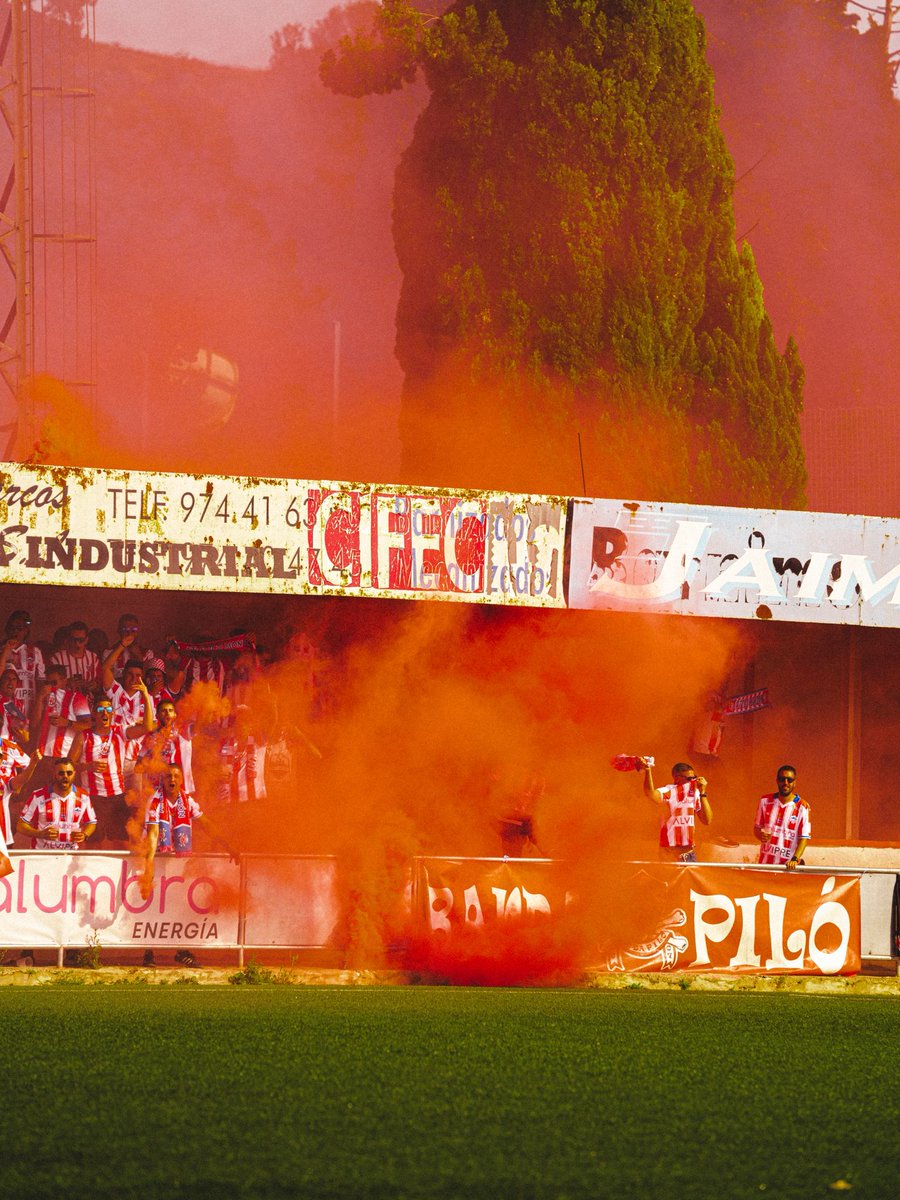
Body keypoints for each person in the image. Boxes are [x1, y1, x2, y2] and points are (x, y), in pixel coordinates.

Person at [139, 763, 234, 967]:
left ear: (181, 780)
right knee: (154, 904)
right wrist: (149, 869)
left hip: (178, 860)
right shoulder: (154, 801)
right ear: (162, 780)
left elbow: (206, 823)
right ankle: (149, 951)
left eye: (175, 776)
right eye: (167, 776)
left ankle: (182, 951)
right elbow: (153, 837)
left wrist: (227, 844)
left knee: (179, 902)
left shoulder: (187, 801)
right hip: (157, 856)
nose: (171, 780)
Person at [71, 690, 152, 847]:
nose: (105, 713)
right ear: (94, 713)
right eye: (100, 710)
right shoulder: (84, 736)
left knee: (121, 842)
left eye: (108, 709)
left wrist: (145, 695)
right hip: (93, 797)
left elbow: (147, 727)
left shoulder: (119, 732)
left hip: (117, 797)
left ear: (112, 713)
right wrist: (87, 766)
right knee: (94, 843)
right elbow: (68, 764)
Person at [638, 758, 712, 863]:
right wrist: (648, 771)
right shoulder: (669, 790)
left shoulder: (695, 793)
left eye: (695, 777)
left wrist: (703, 793)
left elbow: (707, 821)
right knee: (667, 879)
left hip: (689, 854)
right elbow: (651, 794)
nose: (694, 781)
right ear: (677, 778)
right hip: (669, 853)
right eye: (690, 778)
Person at [18, 756, 96, 850]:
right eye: (61, 773)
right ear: (54, 774)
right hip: (42, 855)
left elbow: (91, 822)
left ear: (74, 774)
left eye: (69, 773)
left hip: (70, 855)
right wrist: (39, 834)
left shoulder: (84, 797)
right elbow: (21, 825)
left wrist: (84, 834)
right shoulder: (38, 796)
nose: (65, 776)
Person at [754, 764, 810, 870]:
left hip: (787, 867)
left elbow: (803, 839)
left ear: (794, 783)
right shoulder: (764, 801)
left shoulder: (803, 806)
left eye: (789, 780)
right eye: (782, 779)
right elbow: (756, 828)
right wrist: (760, 835)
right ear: (777, 781)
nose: (785, 783)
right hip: (765, 866)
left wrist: (794, 859)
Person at [101, 632, 155, 737]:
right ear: (124, 674)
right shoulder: (116, 691)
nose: (133, 679)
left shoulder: (147, 697)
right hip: (114, 746)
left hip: (136, 750)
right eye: (130, 674)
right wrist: (122, 645)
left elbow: (152, 725)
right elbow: (105, 668)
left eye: (138, 675)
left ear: (142, 677)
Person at [0, 609, 44, 719]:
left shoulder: (35, 651)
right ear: (7, 629)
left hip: (30, 707)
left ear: (26, 630)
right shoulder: (1, 650)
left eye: (19, 628)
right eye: (12, 628)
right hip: (5, 707)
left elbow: (40, 681)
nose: (15, 632)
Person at [50, 621, 100, 691]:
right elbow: (50, 683)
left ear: (86, 640)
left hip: (87, 700)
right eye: (74, 640)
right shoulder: (58, 658)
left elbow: (100, 681)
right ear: (68, 639)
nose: (77, 644)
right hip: (64, 699)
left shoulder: (93, 658)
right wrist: (66, 683)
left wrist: (95, 684)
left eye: (81, 640)